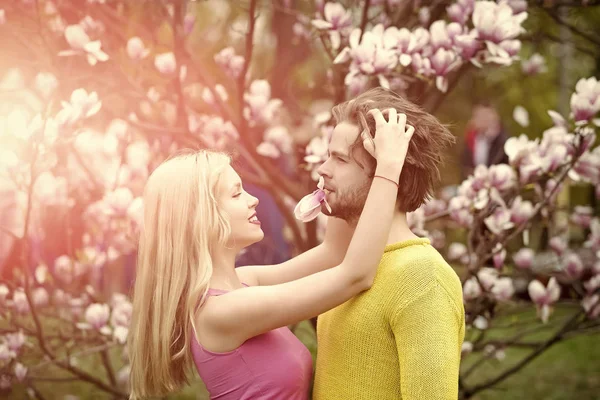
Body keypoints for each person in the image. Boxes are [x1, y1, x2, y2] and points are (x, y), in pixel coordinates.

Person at [127, 108, 415, 399]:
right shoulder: (220, 312)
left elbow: (334, 254)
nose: (253, 200)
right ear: (202, 216)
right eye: (237, 194)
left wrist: (336, 183)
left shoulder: (243, 282)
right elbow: (354, 275)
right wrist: (388, 169)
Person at [312, 87, 465, 400]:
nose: (322, 170)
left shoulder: (423, 278)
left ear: (387, 172)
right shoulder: (348, 263)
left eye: (340, 159)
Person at [462, 102, 509, 179]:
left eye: (484, 116)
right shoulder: (471, 139)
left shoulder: (503, 141)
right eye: (477, 116)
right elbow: (465, 167)